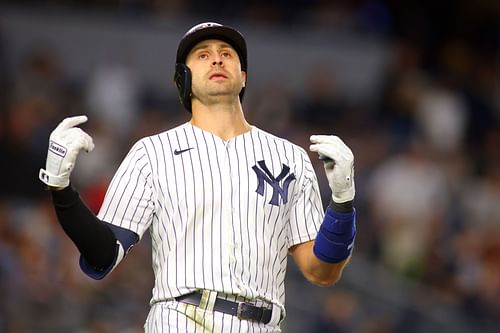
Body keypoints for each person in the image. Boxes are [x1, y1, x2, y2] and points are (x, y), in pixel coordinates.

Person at [38, 22, 357, 332]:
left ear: (243, 77)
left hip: (264, 324)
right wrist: (60, 188)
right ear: (183, 79)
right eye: (203, 55)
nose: (217, 58)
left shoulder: (291, 157)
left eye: (227, 54)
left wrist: (342, 203)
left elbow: (322, 272)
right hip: (180, 318)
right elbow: (103, 254)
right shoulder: (152, 152)